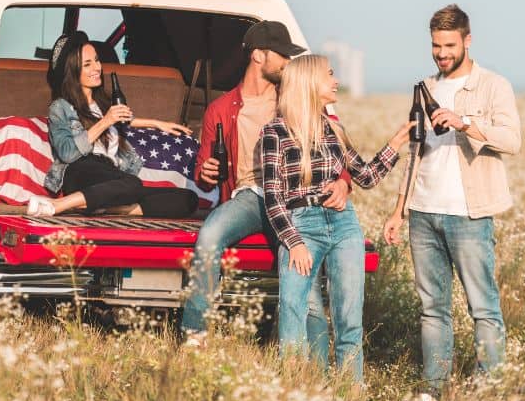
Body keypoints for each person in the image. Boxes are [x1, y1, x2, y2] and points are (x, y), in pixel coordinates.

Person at [180, 20, 350, 362]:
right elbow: (202, 172)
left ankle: (316, 367)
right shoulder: (220, 109)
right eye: (282, 55)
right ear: (259, 56)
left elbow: (332, 145)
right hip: (250, 196)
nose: (288, 62)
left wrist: (343, 181)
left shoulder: (293, 100)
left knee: (306, 277)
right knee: (209, 237)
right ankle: (195, 338)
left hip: (293, 200)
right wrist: (207, 173)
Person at [383, 4, 521, 400]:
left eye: (448, 45)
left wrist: (464, 123)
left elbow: (513, 141)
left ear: (467, 41)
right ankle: (433, 390)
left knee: (484, 309)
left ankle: (489, 392)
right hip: (423, 214)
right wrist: (398, 210)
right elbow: (415, 155)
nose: (441, 53)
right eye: (435, 46)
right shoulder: (424, 87)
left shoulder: (494, 86)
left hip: (469, 216)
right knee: (432, 309)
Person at [263, 54, 414, 382]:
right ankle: (295, 388)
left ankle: (350, 392)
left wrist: (397, 141)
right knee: (293, 310)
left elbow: (367, 178)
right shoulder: (275, 131)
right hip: (301, 225)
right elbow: (273, 198)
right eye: (329, 75)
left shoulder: (333, 128)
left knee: (349, 316)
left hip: (344, 225)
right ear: (308, 82)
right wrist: (294, 243)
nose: (335, 81)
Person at [28, 31, 199, 218]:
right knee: (132, 184)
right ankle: (58, 204)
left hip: (110, 176)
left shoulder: (103, 103)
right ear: (73, 72)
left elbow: (126, 120)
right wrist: (106, 121)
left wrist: (158, 124)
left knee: (187, 199)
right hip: (81, 170)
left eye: (97, 60)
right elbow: (67, 152)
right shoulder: (60, 106)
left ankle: (111, 208)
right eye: (87, 64)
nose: (97, 68)